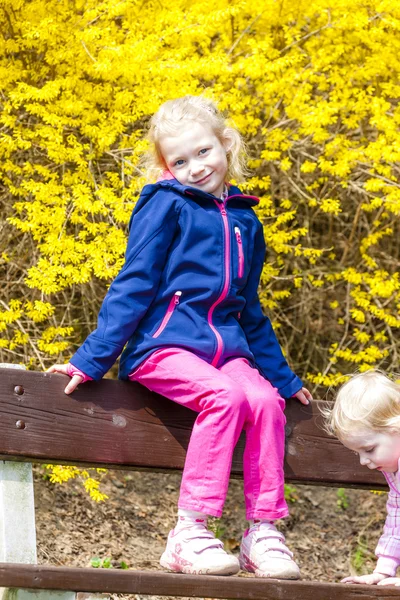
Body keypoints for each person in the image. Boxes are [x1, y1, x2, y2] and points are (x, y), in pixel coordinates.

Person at [48, 95, 312, 578]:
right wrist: (91, 359)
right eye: (180, 161)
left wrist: (284, 379)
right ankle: (189, 531)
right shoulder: (165, 206)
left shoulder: (245, 221)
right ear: (165, 167)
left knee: (266, 401)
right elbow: (134, 283)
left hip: (224, 352)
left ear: (226, 145)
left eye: (204, 152)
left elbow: (248, 310)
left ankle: (263, 532)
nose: (195, 167)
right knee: (227, 397)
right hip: (162, 347)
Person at [323, 370, 400, 587]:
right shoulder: (394, 473)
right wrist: (383, 570)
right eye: (358, 453)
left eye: (369, 449)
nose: (363, 461)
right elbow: (397, 521)